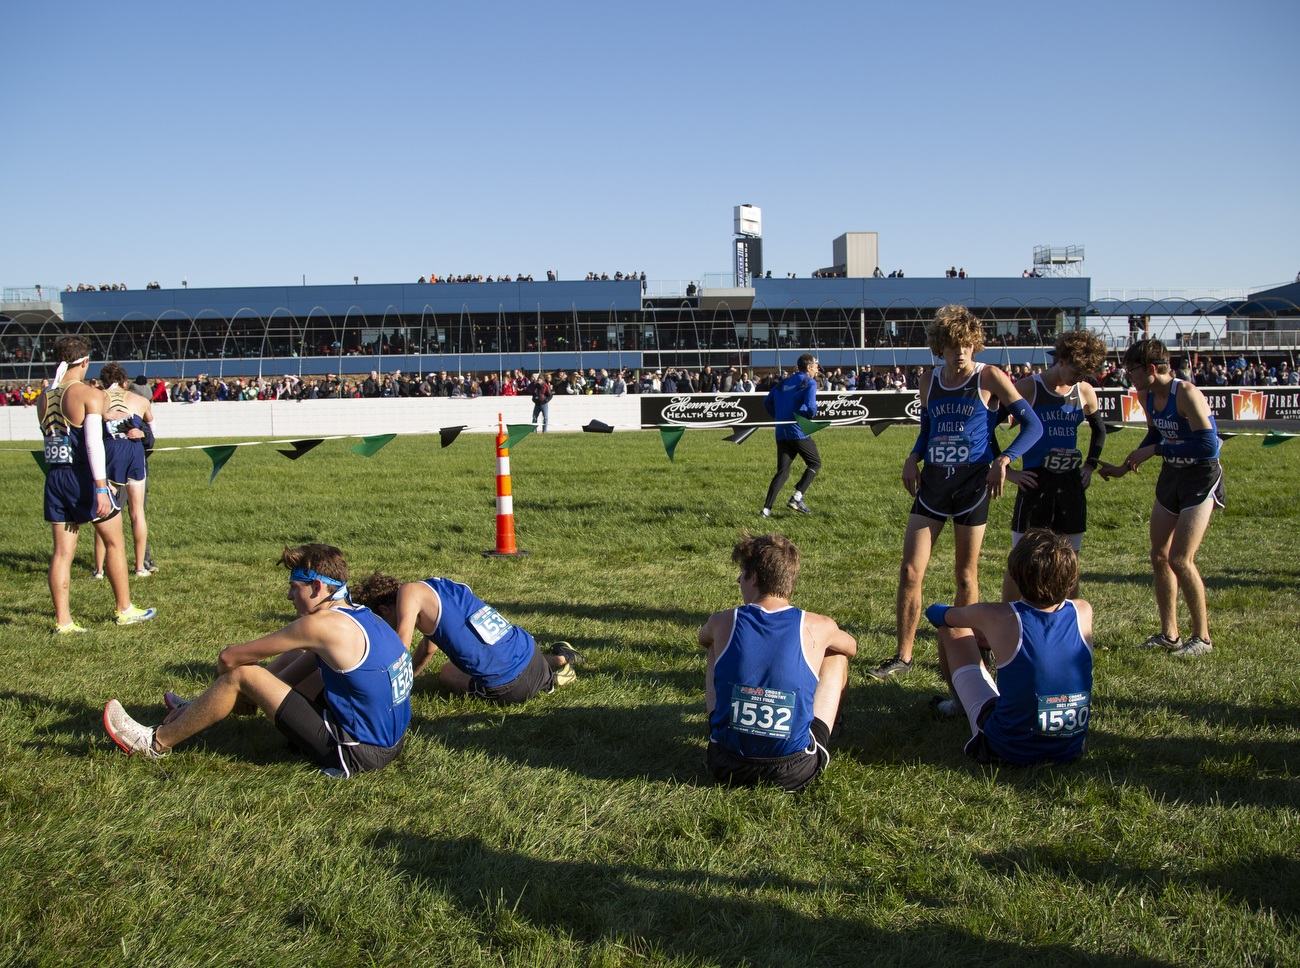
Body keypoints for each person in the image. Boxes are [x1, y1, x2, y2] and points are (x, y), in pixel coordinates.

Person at [103, 544, 412, 776]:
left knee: (242, 675)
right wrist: (255, 697)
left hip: (357, 754)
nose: (289, 597)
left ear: (317, 587)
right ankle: (201, 707)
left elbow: (229, 658)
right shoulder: (362, 614)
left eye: (294, 588)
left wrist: (244, 688)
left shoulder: (320, 625)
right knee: (298, 655)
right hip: (389, 743)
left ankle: (153, 743)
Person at [868, 304, 1042, 679]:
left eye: (966, 345)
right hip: (932, 484)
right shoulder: (929, 380)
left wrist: (1005, 460)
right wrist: (912, 458)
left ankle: (972, 655)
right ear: (940, 348)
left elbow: (1033, 425)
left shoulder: (990, 376)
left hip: (972, 487)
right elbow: (926, 432)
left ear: (974, 346)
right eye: (952, 346)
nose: (960, 352)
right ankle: (903, 657)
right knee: (911, 571)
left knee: (966, 575)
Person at [700, 532, 856, 792]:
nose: (738, 580)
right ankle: (833, 725)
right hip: (794, 770)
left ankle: (720, 727)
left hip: (726, 764)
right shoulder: (818, 625)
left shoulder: (723, 621)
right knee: (836, 653)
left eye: (742, 573)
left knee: (716, 645)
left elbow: (702, 638)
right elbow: (852, 647)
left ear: (756, 578)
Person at [925, 528, 1094, 766]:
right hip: (1070, 748)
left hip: (1007, 749)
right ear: (1071, 576)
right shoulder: (1083, 611)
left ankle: (958, 705)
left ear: (1015, 575)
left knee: (950, 626)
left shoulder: (999, 615)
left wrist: (987, 629)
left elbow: (935, 613)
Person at [1098, 339, 1223, 656]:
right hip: (1172, 475)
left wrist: (1156, 450)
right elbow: (1155, 433)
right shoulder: (1147, 394)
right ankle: (1170, 635)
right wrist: (1125, 468)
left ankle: (1203, 638)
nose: (1128, 376)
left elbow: (1209, 447)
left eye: (1131, 370)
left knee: (1181, 559)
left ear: (1151, 369)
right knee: (1159, 556)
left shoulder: (1187, 393)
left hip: (1200, 476)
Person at [37, 337, 156, 633]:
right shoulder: (86, 393)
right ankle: (124, 609)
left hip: (55, 477)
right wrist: (102, 487)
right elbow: (92, 443)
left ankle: (63, 621)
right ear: (86, 362)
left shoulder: (44, 395)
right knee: (115, 542)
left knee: (62, 553)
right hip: (84, 478)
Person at [351, 573, 581, 704]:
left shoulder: (409, 593)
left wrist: (382, 693)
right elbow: (427, 650)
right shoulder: (436, 591)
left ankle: (552, 680)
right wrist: (407, 684)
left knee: (447, 672)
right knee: (495, 650)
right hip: (531, 653)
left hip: (511, 688)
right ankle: (558, 661)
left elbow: (399, 649)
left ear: (382, 609)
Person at [1001, 330, 1109, 601]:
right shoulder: (1029, 387)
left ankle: (1067, 624)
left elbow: (1100, 431)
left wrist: (1089, 466)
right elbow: (987, 426)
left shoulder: (1084, 391)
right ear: (1061, 360)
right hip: (1035, 481)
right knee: (1021, 560)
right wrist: (1009, 471)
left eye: (1086, 374)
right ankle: (1008, 622)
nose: (1080, 379)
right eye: (1077, 371)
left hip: (1070, 483)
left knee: (1069, 560)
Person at [92, 363, 154, 578]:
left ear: (102, 382)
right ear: (125, 382)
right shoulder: (141, 400)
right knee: (137, 513)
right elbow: (149, 420)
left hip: (109, 452)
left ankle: (99, 569)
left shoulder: (96, 399)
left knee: (104, 512)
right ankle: (139, 567)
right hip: (133, 453)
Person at [762, 353, 822, 516]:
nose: (817, 371)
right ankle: (797, 497)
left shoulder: (784, 382)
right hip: (798, 431)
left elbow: (767, 401)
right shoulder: (810, 382)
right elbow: (811, 408)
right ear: (808, 367)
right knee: (815, 463)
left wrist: (779, 416)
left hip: (781, 431)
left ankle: (766, 510)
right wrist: (808, 415)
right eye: (816, 367)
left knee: (783, 471)